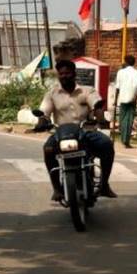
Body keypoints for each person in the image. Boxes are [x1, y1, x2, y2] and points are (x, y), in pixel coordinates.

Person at [38, 59, 116, 200]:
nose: (64, 76)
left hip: (86, 131)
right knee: (48, 150)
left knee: (107, 145)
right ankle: (57, 189)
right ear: (58, 76)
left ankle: (104, 184)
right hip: (61, 133)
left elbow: (96, 106)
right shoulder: (52, 94)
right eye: (61, 74)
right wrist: (42, 121)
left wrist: (100, 119)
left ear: (74, 74)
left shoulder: (87, 90)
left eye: (67, 73)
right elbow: (44, 111)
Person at [114, 55, 137, 148]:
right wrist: (136, 96)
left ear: (126, 62)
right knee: (130, 120)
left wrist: (115, 100)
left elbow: (117, 87)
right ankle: (126, 140)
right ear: (134, 63)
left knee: (122, 119)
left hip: (123, 99)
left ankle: (124, 139)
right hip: (133, 99)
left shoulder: (120, 72)